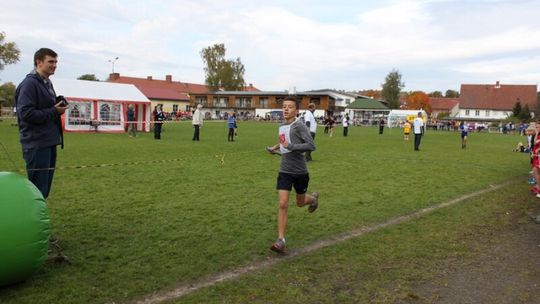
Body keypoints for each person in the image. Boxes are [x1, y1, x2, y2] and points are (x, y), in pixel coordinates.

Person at [265, 97, 319, 253]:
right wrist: (274, 148)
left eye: (289, 107)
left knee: (300, 203)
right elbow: (283, 142)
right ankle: (281, 240)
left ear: (296, 110)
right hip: (284, 170)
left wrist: (292, 146)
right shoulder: (281, 126)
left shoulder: (299, 125)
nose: (286, 109)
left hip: (300, 172)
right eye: (284, 107)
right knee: (283, 204)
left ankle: (313, 199)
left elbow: (311, 145)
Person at [15, 47, 67, 200]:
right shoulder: (29, 84)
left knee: (44, 188)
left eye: (56, 62)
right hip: (36, 142)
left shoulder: (47, 83)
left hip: (49, 140)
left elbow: (46, 108)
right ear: (39, 62)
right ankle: (31, 220)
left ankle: (38, 218)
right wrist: (53, 111)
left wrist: (58, 105)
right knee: (37, 187)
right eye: (51, 61)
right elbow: (26, 113)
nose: (54, 65)